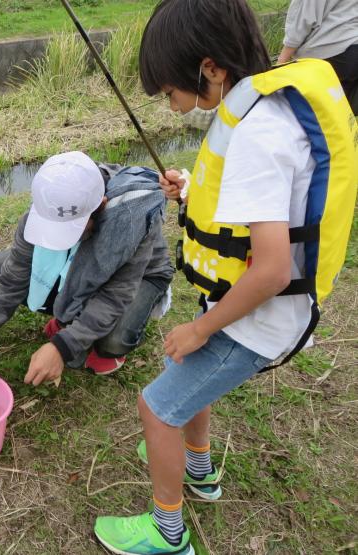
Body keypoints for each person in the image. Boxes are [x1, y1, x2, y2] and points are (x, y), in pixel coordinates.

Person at [92, 1, 357, 554]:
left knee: (157, 408)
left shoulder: (259, 133)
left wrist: (200, 328)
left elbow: (272, 268)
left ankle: (167, 535)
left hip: (261, 322)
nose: (170, 106)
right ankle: (200, 470)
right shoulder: (259, 108)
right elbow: (257, 208)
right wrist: (191, 191)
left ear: (209, 67)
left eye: (170, 92)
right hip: (252, 309)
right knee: (180, 365)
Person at [0, 151, 174, 390]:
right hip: (76, 264)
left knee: (113, 342)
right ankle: (69, 315)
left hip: (142, 276)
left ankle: (93, 326)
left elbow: (115, 295)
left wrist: (63, 346)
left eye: (72, 228)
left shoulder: (130, 220)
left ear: (100, 205)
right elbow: (10, 280)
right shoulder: (51, 199)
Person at [277, 0, 358, 114]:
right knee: (340, 112)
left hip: (327, 52)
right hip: (353, 47)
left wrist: (281, 62)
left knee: (314, 113)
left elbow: (303, 20)